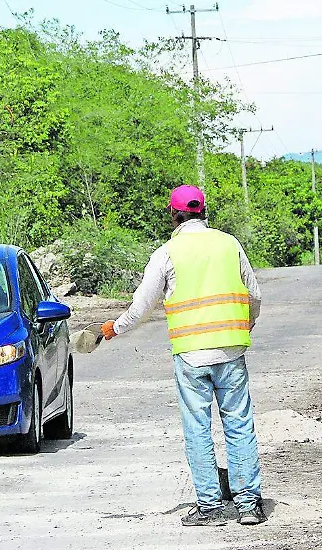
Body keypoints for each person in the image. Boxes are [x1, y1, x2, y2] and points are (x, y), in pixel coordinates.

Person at [101, 185, 266, 526]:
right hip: (231, 349)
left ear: (173, 214)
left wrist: (113, 329)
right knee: (238, 424)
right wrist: (243, 327)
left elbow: (143, 306)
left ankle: (210, 507)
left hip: (191, 356)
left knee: (198, 429)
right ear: (204, 211)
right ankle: (248, 505)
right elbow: (254, 295)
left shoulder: (166, 253)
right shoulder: (229, 244)